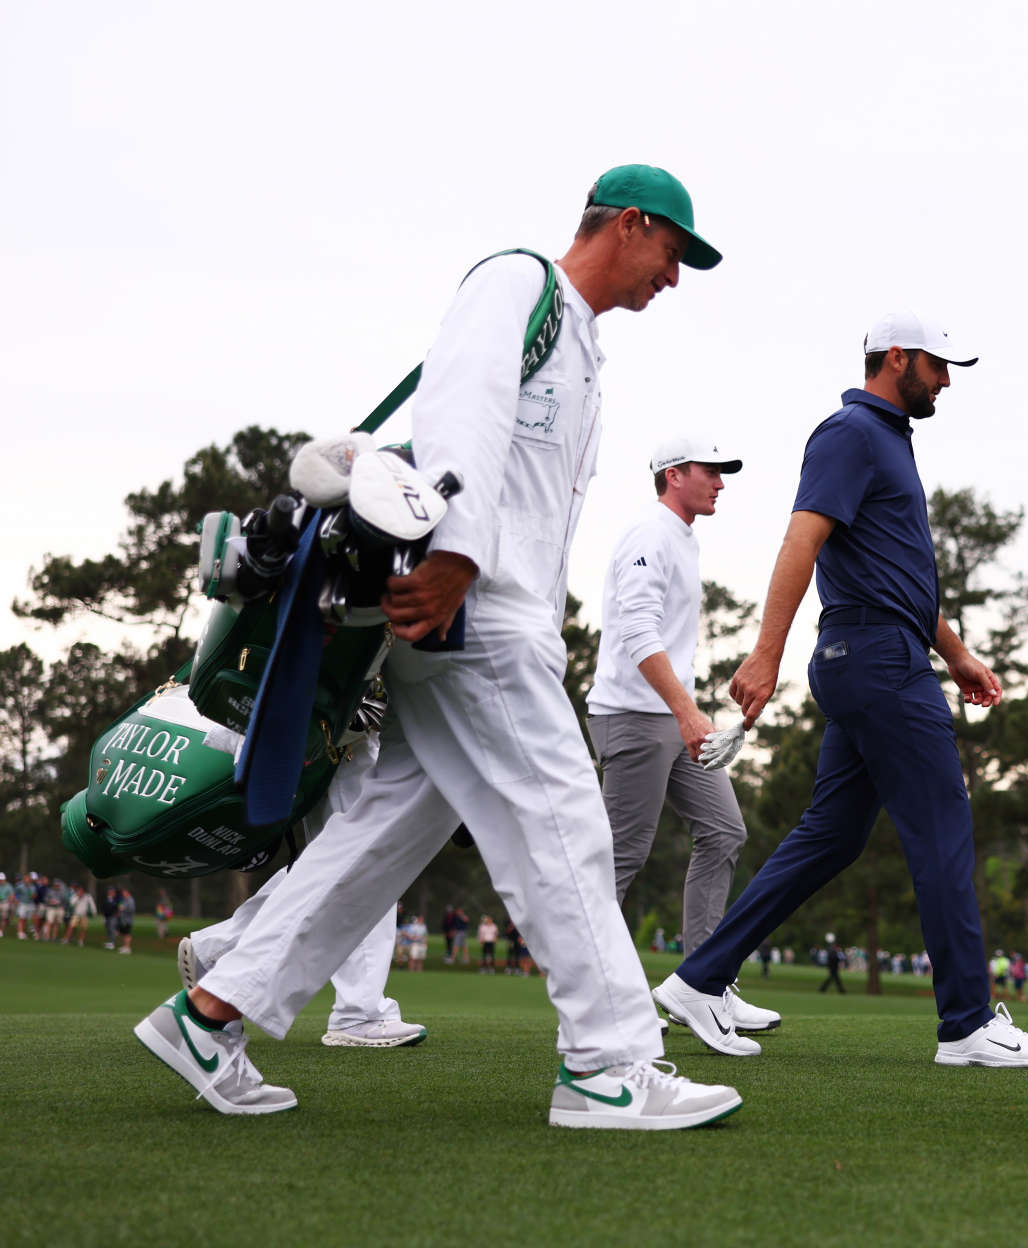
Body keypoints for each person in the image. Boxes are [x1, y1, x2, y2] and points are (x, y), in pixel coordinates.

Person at [131, 163, 740, 1130]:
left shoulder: (582, 345)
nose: (675, 275)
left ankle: (211, 1013)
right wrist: (456, 552)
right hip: (471, 609)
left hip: (487, 609)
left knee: (378, 836)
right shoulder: (518, 283)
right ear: (626, 225)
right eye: (673, 251)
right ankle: (609, 1068)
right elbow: (463, 407)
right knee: (566, 827)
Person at [650, 311, 1028, 1069]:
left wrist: (960, 655)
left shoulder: (887, 441)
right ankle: (968, 1025)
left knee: (832, 835)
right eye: (939, 366)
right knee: (943, 827)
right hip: (874, 659)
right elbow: (800, 541)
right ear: (898, 358)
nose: (945, 381)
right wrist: (764, 655)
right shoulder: (850, 433)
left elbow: (899, 576)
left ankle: (700, 979)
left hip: (879, 651)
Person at [584, 433, 777, 1034]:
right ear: (674, 474)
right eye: (710, 471)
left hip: (667, 717)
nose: (720, 482)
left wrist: (685, 714)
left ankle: (705, 984)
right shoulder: (649, 533)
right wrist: (689, 713)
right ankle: (602, 1003)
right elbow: (638, 632)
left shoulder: (681, 538)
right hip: (633, 718)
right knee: (620, 859)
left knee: (724, 832)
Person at [179, 744, 428, 1047]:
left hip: (344, 742)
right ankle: (360, 1012)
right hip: (341, 743)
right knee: (367, 862)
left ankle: (217, 948)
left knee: (339, 862)